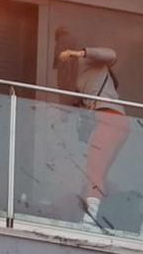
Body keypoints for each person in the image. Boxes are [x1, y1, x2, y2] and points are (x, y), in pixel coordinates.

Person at [54, 26, 131, 231]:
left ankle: (90, 222)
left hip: (109, 118)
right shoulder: (72, 75)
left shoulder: (87, 60)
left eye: (64, 45)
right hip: (111, 121)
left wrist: (80, 53)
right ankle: (104, 215)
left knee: (94, 171)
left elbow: (111, 54)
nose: (61, 49)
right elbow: (72, 106)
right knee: (98, 171)